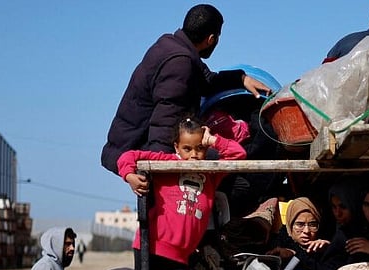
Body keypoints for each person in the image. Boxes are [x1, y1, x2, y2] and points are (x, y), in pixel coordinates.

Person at [119, 117, 246, 270]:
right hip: (153, 243)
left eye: (199, 148)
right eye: (187, 148)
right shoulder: (167, 164)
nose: (194, 155)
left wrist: (214, 140)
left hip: (180, 254)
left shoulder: (210, 174)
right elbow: (128, 155)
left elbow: (239, 154)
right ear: (176, 147)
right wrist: (130, 176)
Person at [100, 4, 270, 173]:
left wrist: (241, 78)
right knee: (226, 166)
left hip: (129, 145)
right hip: (141, 151)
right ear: (211, 39)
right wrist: (161, 172)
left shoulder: (172, 46)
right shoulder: (180, 63)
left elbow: (207, 81)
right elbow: (165, 122)